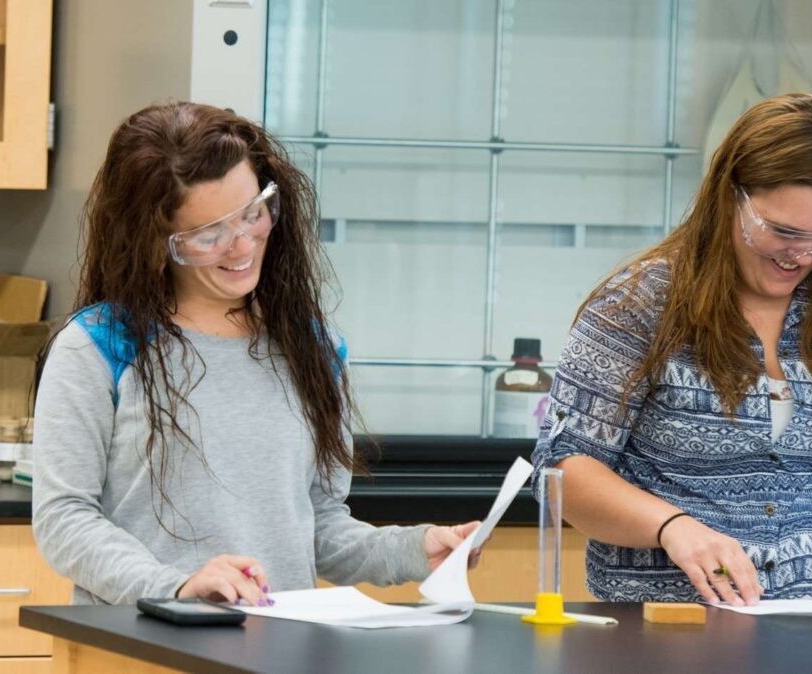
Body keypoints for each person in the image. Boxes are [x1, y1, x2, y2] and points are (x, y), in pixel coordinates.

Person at [33, 101, 480, 606]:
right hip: (141, 648)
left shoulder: (313, 347)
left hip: (278, 647)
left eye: (252, 214)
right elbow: (64, 518)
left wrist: (412, 549)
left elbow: (318, 523)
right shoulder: (97, 347)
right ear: (154, 242)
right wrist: (175, 588)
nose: (242, 246)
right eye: (209, 234)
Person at [532, 93, 812, 605]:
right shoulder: (638, 305)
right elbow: (563, 468)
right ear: (729, 196)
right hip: (672, 635)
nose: (804, 254)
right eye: (783, 230)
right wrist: (671, 526)